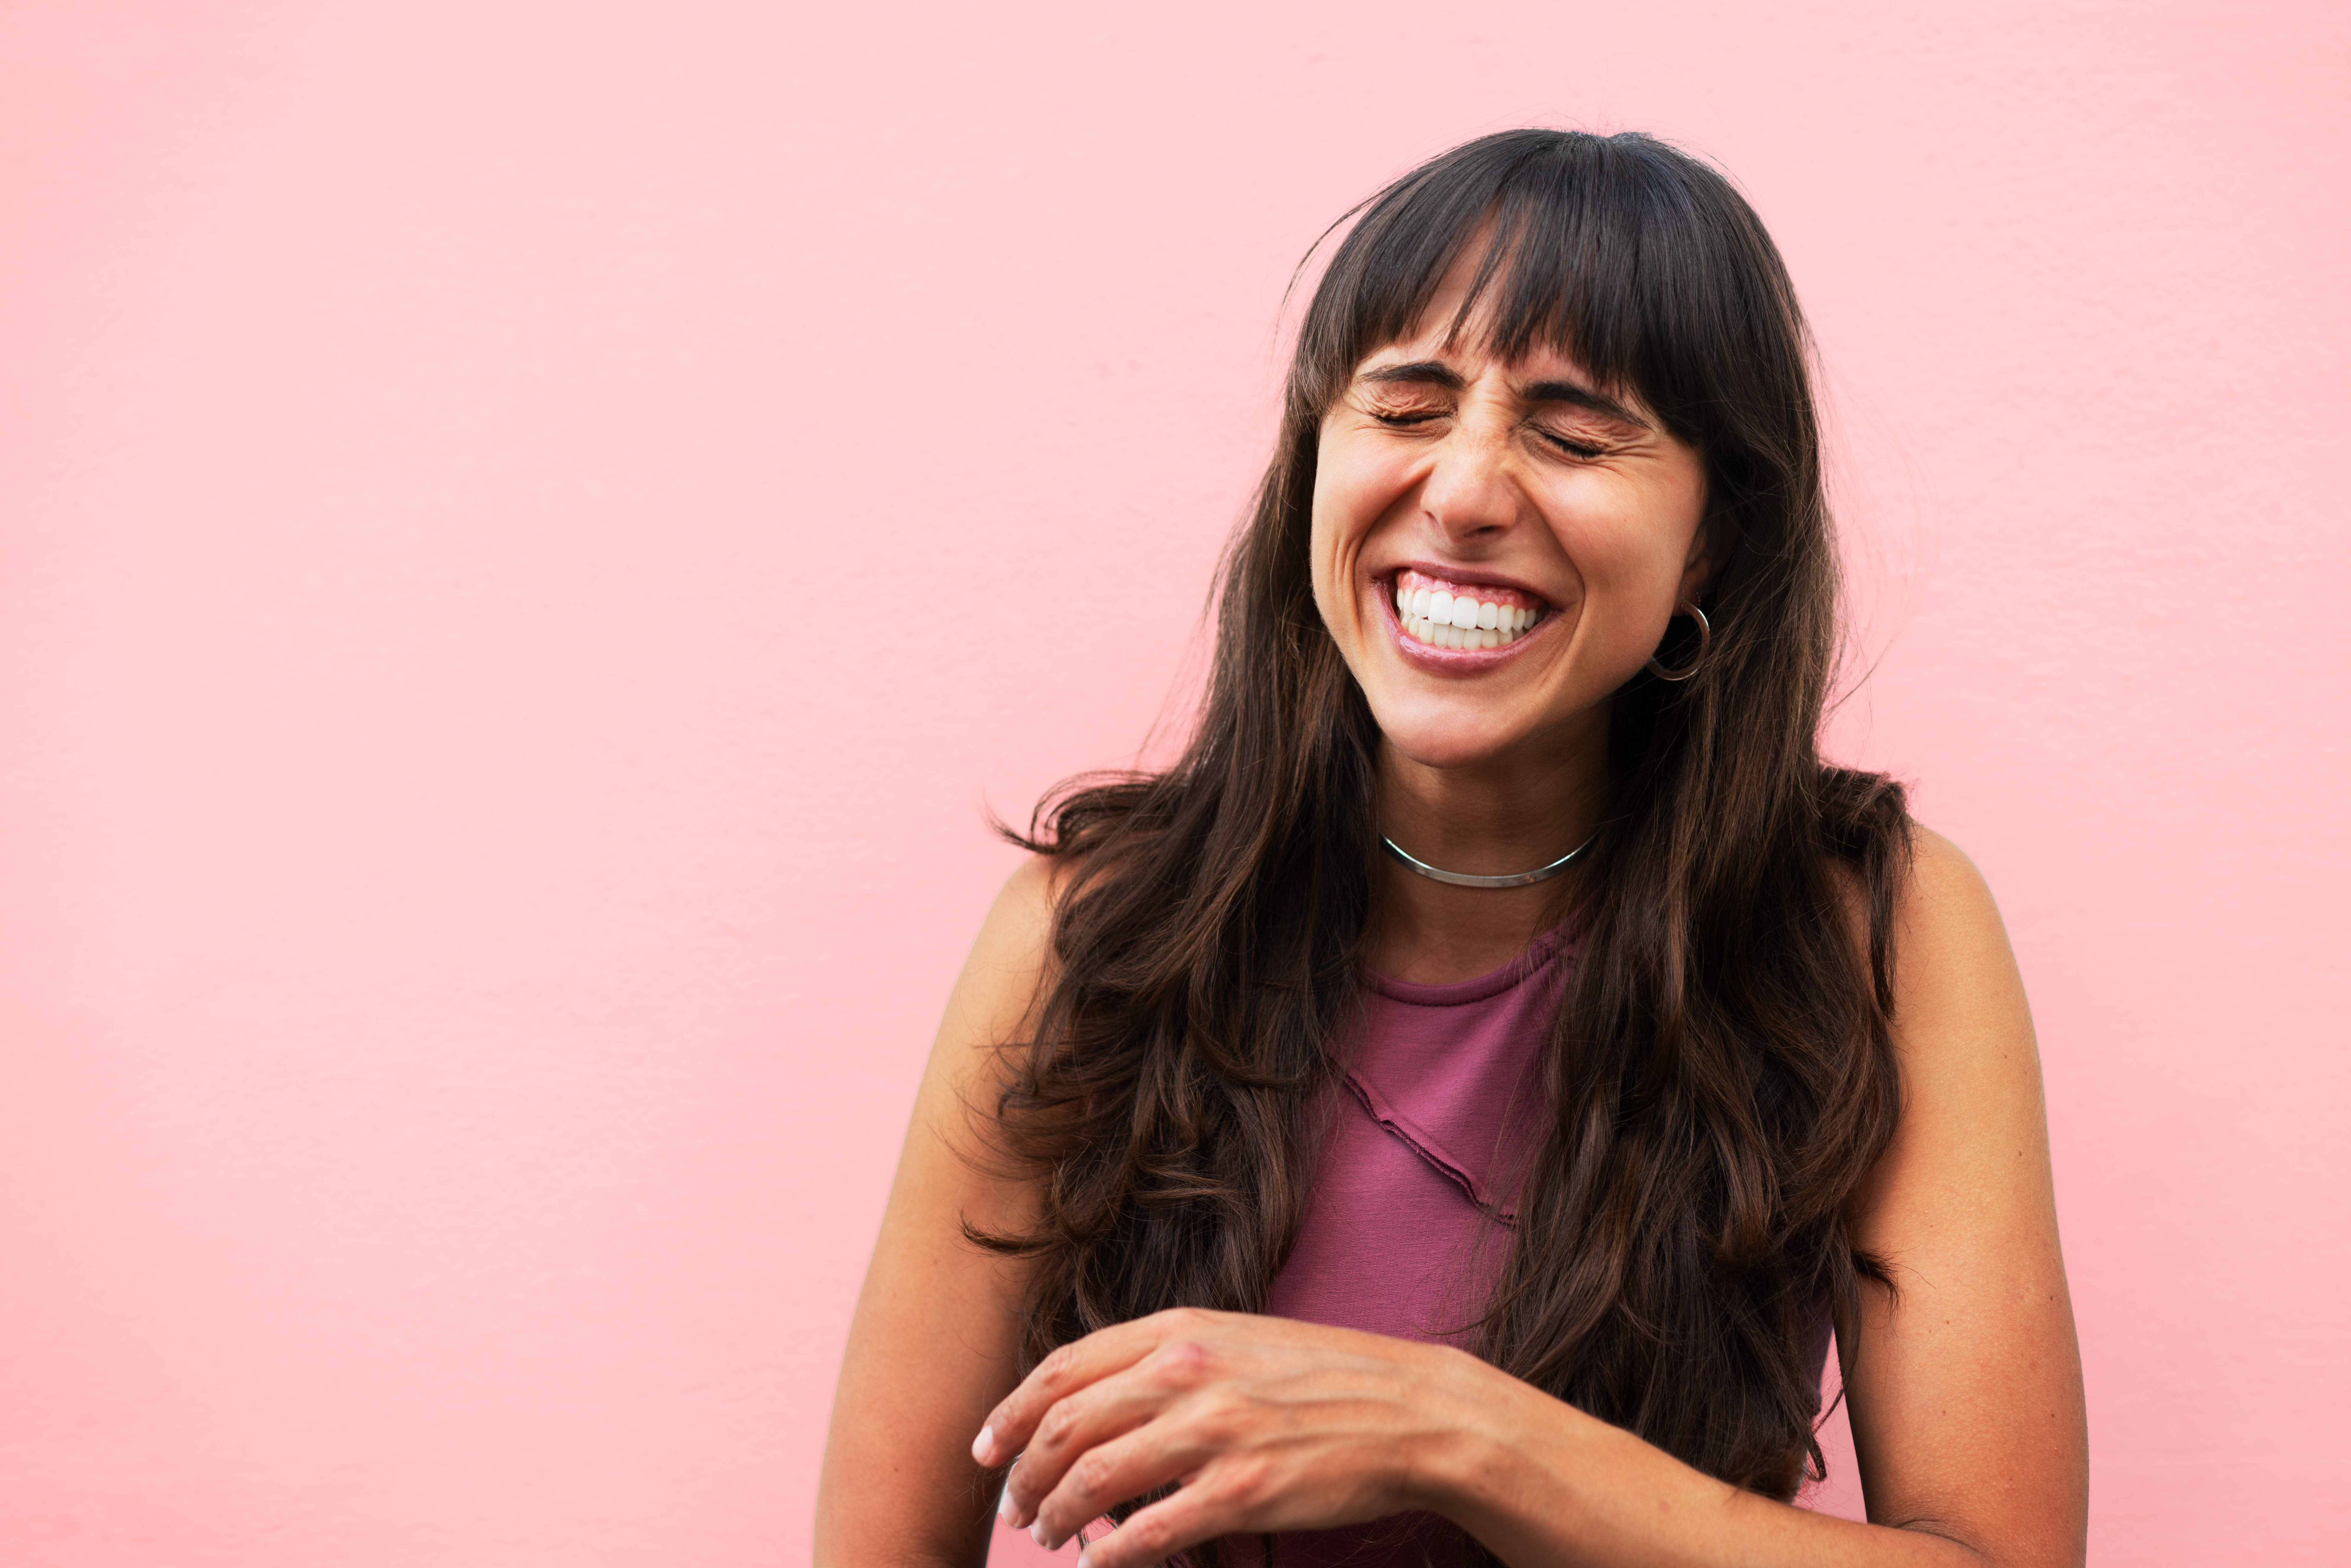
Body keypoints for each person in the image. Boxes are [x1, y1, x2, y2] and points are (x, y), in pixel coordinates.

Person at [814, 129, 2088, 1568]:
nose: (1468, 491)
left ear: (1713, 542)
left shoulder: (1870, 930)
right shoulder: (1086, 930)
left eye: (1572, 429)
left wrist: (1449, 1430)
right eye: (1405, 405)